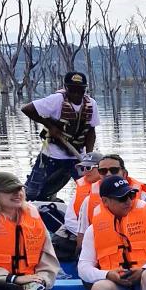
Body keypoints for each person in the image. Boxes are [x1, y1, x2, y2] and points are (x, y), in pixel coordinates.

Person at [20, 71, 100, 201]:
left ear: (85, 89)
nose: (76, 94)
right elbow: (26, 109)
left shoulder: (91, 104)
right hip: (52, 155)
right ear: (66, 88)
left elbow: (91, 132)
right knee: (32, 193)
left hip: (76, 157)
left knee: (90, 188)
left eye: (80, 90)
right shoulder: (56, 100)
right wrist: (51, 127)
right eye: (72, 90)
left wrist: (88, 157)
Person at [75, 154, 146, 239]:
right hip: (106, 249)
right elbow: (82, 234)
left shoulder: (142, 196)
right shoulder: (89, 200)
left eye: (114, 170)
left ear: (124, 173)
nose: (108, 174)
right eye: (103, 171)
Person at [51, 151, 102, 260]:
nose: (84, 172)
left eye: (88, 168)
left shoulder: (113, 189)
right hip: (84, 235)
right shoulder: (81, 189)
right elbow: (70, 220)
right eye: (82, 168)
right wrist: (90, 235)